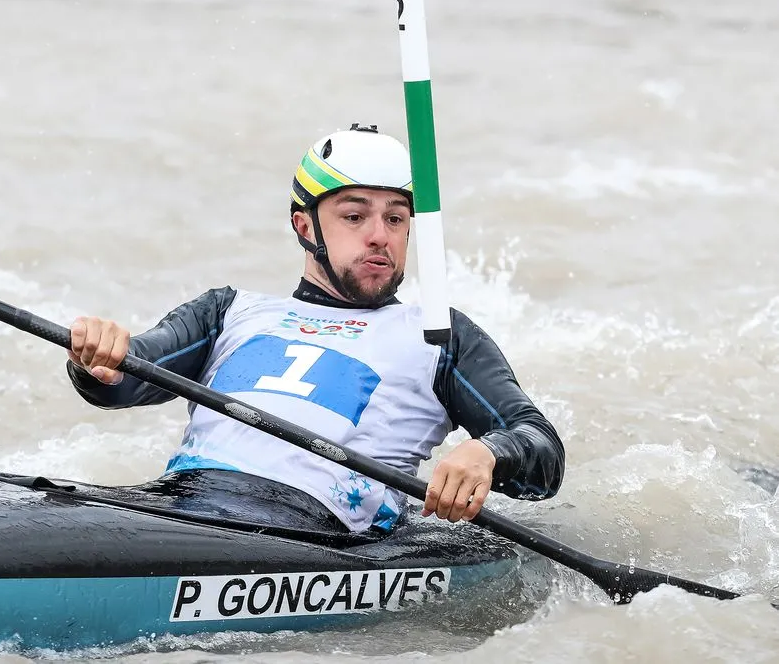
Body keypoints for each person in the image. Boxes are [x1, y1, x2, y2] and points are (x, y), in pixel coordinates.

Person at [66, 123, 564, 534]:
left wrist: (488, 452)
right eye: (354, 215)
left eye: (396, 219)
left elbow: (540, 449)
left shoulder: (440, 335)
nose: (379, 236)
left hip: (308, 530)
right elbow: (127, 376)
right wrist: (98, 360)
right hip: (176, 503)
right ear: (305, 227)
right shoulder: (227, 311)